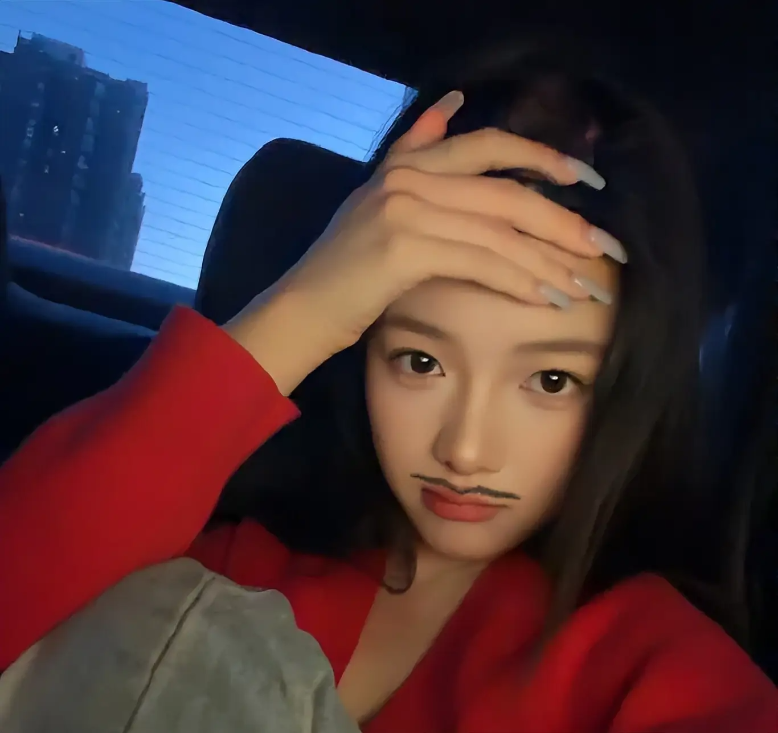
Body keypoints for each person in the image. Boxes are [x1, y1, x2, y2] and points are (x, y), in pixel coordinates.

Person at [0, 38, 775, 733]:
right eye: (420, 362)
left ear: (628, 389)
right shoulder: (227, 566)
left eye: (550, 378)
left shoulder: (656, 671)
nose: (465, 449)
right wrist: (304, 305)